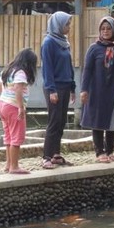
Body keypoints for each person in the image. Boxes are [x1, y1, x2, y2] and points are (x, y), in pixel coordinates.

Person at [80, 16, 114, 163]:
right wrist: (84, 90)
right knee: (97, 119)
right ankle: (99, 152)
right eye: (103, 29)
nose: (105, 31)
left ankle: (110, 151)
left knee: (112, 120)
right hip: (97, 90)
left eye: (108, 28)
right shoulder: (94, 48)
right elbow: (87, 70)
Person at [40, 11, 76, 169]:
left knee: (61, 121)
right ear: (58, 25)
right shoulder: (48, 42)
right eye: (67, 24)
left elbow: (69, 66)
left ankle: (56, 154)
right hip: (54, 87)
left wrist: (73, 87)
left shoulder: (64, 42)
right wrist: (52, 90)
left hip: (65, 86)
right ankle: (46, 156)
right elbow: (47, 69)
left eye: (69, 23)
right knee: (54, 121)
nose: (69, 27)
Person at [0, 48, 38, 174]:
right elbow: (18, 89)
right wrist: (21, 107)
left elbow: (0, 87)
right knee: (17, 136)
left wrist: (1, 102)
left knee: (9, 136)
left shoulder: (8, 70)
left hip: (3, 104)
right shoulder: (20, 72)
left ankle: (8, 164)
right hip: (13, 106)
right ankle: (14, 167)